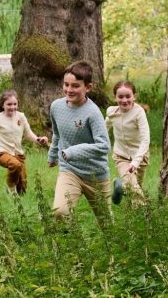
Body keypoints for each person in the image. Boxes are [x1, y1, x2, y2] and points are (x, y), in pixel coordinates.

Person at [47, 61, 111, 220]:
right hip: (69, 170)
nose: (69, 89)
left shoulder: (93, 113)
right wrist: (53, 155)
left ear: (88, 87)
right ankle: (68, 237)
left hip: (95, 175)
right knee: (60, 212)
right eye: (66, 84)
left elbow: (104, 146)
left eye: (75, 86)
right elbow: (57, 134)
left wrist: (72, 152)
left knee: (107, 224)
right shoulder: (56, 107)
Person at [0, 89, 48, 195]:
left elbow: (28, 133)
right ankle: (11, 188)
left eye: (15, 104)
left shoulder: (21, 116)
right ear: (3, 105)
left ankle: (16, 193)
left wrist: (38, 140)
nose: (12, 107)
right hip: (2, 152)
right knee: (15, 165)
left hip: (18, 154)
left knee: (22, 188)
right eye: (9, 104)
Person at [105, 80, 151, 203]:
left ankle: (121, 188)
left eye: (128, 96)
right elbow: (105, 126)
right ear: (115, 98)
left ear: (134, 96)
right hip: (121, 156)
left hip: (140, 157)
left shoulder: (139, 113)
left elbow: (145, 139)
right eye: (120, 97)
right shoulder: (112, 112)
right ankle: (144, 211)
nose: (124, 100)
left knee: (136, 187)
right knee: (134, 188)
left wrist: (136, 162)